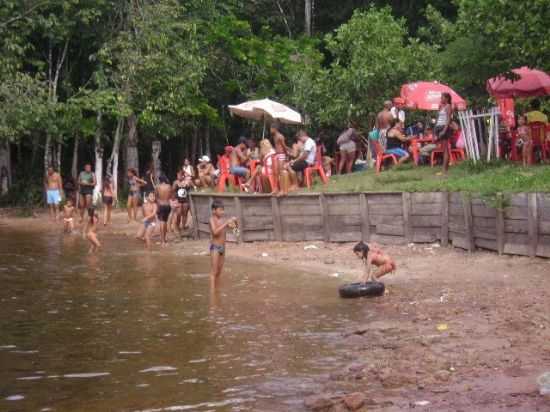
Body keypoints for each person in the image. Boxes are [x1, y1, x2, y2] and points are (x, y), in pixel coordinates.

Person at [209, 201, 238, 279]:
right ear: (214, 211)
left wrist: (236, 223)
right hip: (215, 247)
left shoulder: (223, 220)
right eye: (220, 210)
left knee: (219, 272)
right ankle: (213, 291)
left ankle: (217, 291)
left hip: (223, 248)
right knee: (214, 272)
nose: (222, 212)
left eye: (223, 210)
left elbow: (236, 232)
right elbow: (215, 232)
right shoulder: (212, 219)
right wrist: (226, 223)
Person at [434, 92, 453, 175]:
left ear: (447, 99)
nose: (441, 99)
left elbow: (448, 120)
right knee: (442, 149)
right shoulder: (441, 106)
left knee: (445, 149)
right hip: (438, 127)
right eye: (441, 97)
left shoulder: (448, 106)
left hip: (443, 128)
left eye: (442, 97)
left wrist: (444, 131)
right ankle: (444, 168)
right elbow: (438, 119)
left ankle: (444, 170)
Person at [156, 174, 172, 245]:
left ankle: (162, 241)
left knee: (162, 222)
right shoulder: (169, 186)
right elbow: (171, 195)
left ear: (160, 180)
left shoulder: (158, 187)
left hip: (161, 205)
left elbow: (155, 197)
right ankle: (164, 239)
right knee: (165, 221)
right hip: (168, 205)